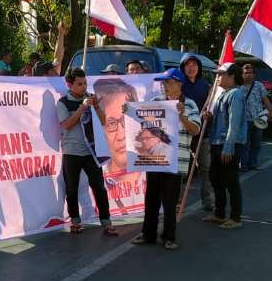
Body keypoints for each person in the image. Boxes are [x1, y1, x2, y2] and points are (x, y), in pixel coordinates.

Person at [133, 67, 201, 249]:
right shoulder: (156, 102)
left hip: (176, 162)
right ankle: (148, 234)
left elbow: (196, 130)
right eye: (163, 83)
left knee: (170, 202)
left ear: (179, 84)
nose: (164, 86)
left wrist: (182, 116)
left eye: (168, 82)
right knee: (152, 200)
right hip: (155, 160)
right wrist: (129, 110)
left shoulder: (190, 104)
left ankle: (169, 237)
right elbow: (140, 120)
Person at [57, 69, 118, 236]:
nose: (83, 87)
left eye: (85, 83)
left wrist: (96, 106)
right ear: (69, 84)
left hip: (92, 150)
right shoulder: (63, 102)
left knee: (99, 186)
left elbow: (104, 121)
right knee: (72, 188)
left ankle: (106, 222)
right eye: (79, 84)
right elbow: (66, 125)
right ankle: (75, 222)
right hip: (71, 151)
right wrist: (81, 109)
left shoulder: (91, 98)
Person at [202, 63, 246, 230]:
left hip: (228, 145)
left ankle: (235, 217)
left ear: (232, 76)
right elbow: (222, 120)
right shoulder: (224, 94)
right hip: (216, 143)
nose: (217, 78)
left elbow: (234, 124)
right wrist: (210, 117)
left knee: (231, 181)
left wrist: (229, 147)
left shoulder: (236, 95)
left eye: (221, 74)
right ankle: (219, 214)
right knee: (216, 179)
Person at [93, 77, 143, 215]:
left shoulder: (154, 174)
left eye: (126, 120)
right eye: (111, 124)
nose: (121, 135)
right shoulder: (92, 184)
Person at [181, 54, 214, 211]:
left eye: (194, 64)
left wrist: (209, 114)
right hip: (183, 134)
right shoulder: (179, 84)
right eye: (188, 65)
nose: (191, 67)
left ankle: (208, 201)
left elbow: (211, 107)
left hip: (203, 134)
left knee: (206, 169)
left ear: (198, 68)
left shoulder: (205, 86)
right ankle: (177, 203)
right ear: (183, 67)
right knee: (181, 171)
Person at [239, 63, 272, 171]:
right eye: (245, 73)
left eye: (250, 73)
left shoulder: (259, 85)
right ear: (242, 74)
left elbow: (265, 99)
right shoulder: (238, 86)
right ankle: (243, 164)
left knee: (256, 143)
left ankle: (252, 163)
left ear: (254, 74)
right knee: (244, 144)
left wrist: (270, 111)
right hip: (243, 120)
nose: (248, 75)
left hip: (258, 120)